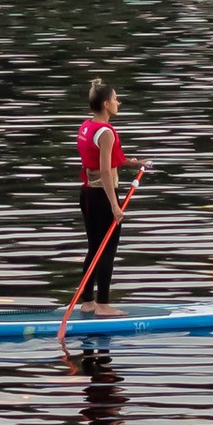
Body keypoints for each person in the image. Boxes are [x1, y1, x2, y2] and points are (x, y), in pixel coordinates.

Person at [76, 75, 132, 303]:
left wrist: (133, 163)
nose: (118, 103)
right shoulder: (107, 132)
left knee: (93, 249)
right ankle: (103, 305)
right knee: (107, 250)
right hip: (102, 197)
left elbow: (99, 159)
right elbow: (106, 171)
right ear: (106, 104)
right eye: (116, 99)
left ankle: (87, 302)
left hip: (87, 194)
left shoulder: (87, 126)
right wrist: (115, 206)